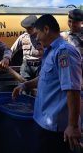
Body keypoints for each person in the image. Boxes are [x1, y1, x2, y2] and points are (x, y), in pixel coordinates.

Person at [12, 14, 82, 153]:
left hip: (56, 129)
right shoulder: (51, 51)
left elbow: (72, 89)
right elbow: (45, 78)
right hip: (44, 122)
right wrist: (25, 85)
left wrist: (73, 126)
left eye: (37, 34)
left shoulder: (64, 52)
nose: (36, 38)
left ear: (46, 29)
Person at [11, 15, 43, 81]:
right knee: (23, 88)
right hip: (26, 67)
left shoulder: (42, 37)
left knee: (41, 87)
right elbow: (12, 50)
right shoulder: (23, 37)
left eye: (30, 28)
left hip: (40, 66)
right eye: (26, 28)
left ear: (35, 27)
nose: (28, 30)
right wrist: (6, 59)